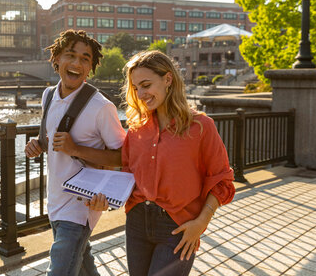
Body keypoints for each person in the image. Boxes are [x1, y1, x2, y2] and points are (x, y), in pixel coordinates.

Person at [90, 50, 235, 275]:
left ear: (168, 79)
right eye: (136, 88)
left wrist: (200, 224)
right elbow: (128, 179)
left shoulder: (201, 126)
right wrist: (105, 200)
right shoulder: (136, 130)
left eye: (146, 85)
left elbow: (223, 181)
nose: (140, 94)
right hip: (137, 223)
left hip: (177, 227)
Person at [24, 29, 126, 276]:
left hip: (82, 205)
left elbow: (123, 157)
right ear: (56, 58)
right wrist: (37, 145)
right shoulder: (48, 95)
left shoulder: (102, 107)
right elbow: (53, 142)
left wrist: (75, 149)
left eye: (85, 58)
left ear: (91, 67)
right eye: (71, 55)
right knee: (82, 266)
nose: (77, 63)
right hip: (56, 199)